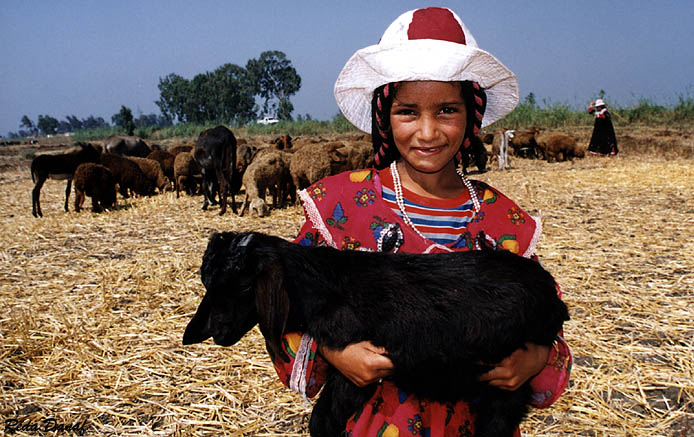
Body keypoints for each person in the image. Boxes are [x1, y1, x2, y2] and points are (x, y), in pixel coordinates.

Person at [269, 7, 572, 436]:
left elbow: (545, 322)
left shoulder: (503, 221)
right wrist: (336, 354)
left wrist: (534, 358)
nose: (427, 132)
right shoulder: (340, 210)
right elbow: (288, 307)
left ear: (472, 115)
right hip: (372, 422)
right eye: (408, 111)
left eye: (447, 110)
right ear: (383, 116)